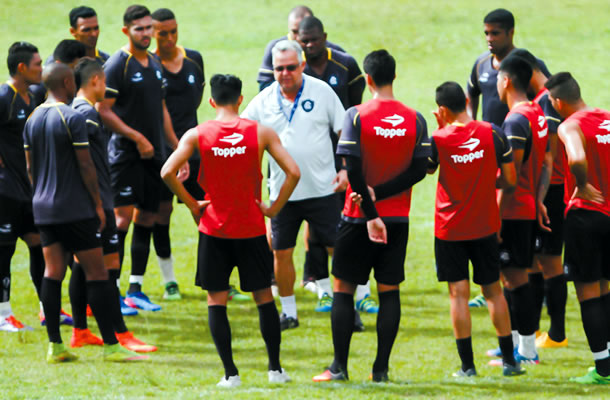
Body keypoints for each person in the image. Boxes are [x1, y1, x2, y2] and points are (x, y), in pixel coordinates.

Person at [161, 74, 300, 387]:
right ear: (240, 99)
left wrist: (193, 203)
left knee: (216, 300)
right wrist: (274, 208)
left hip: (214, 231)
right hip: (251, 228)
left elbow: (167, 171)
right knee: (264, 297)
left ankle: (230, 374)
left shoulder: (197, 134)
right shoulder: (260, 132)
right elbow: (294, 171)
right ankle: (275, 370)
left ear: (212, 101)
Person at [313, 49, 429, 382]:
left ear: (367, 80)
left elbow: (354, 167)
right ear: (394, 76)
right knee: (389, 291)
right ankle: (380, 371)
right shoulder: (415, 118)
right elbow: (420, 169)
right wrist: (387, 193)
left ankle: (339, 367)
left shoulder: (356, 115)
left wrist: (370, 206)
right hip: (398, 221)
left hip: (359, 218)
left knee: (343, 290)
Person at [23, 63, 146, 362]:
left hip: (43, 206)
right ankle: (111, 345)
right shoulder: (72, 117)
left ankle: (56, 346)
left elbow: (29, 167)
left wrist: (40, 194)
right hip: (76, 207)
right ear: (67, 82)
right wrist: (96, 205)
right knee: (97, 273)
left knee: (53, 272)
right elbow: (86, 166)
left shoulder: (32, 118)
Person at [241, 40, 347, 330]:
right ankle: (289, 313)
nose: (285, 73)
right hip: (282, 195)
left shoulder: (322, 91)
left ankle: (346, 308)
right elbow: (241, 135)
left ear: (302, 65)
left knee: (336, 250)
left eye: (290, 67)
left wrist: (347, 170)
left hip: (323, 189)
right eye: (279, 69)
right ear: (272, 70)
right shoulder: (262, 101)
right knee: (282, 252)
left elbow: (344, 132)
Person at [428, 81, 524, 377]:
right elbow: (510, 179)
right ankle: (510, 362)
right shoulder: (493, 132)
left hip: (450, 228)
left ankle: (467, 367)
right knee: (494, 290)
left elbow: (428, 169)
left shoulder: (439, 138)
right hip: (485, 226)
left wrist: (440, 127)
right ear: (468, 101)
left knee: (458, 294)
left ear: (442, 110)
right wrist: (483, 182)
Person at [98, 5, 185, 313]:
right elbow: (103, 109)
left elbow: (161, 109)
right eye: (140, 29)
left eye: (149, 28)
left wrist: (176, 147)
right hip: (125, 157)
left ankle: (135, 288)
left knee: (146, 218)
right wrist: (137, 138)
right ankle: (113, 291)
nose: (147, 34)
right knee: (121, 221)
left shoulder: (155, 63)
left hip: (155, 156)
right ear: (126, 31)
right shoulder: (117, 64)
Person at [69, 57, 157, 353]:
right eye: (104, 81)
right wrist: (96, 203)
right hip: (96, 201)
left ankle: (80, 331)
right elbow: (86, 164)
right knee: (107, 268)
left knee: (83, 266)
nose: (106, 87)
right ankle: (118, 335)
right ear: (95, 81)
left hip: (83, 202)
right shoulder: (88, 115)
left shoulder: (74, 110)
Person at [296, 17, 376, 314]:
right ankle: (325, 290)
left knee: (355, 219)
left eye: (314, 39)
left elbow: (354, 113)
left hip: (344, 157)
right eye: (304, 40)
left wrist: (348, 159)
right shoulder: (295, 70)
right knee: (319, 225)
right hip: (312, 159)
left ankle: (363, 291)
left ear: (324, 37)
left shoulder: (345, 66)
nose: (309, 45)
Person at [545, 72, 610, 384]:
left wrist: (582, 184)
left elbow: (577, 158)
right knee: (607, 289)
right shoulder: (607, 118)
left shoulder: (570, 125)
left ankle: (603, 370)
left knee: (588, 293)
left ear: (558, 102)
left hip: (586, 217)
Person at [488, 55, 552, 366]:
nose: (496, 83)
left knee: (516, 281)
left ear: (507, 81)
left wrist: (496, 219)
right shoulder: (537, 114)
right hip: (527, 207)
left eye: (498, 78)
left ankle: (526, 351)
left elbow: (509, 180)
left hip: (513, 212)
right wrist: (539, 198)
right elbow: (548, 162)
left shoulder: (514, 121)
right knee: (512, 278)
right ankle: (511, 345)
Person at [512, 49, 568, 349]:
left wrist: (542, 195)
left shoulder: (548, 102)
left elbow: (553, 153)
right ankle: (530, 334)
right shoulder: (544, 100)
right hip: (545, 190)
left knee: (549, 261)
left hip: (552, 191)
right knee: (533, 262)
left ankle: (557, 334)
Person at [150, 7, 205, 300]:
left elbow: (195, 98)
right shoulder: (149, 64)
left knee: (206, 212)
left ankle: (215, 276)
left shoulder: (194, 59)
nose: (169, 38)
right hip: (162, 154)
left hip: (195, 152)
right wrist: (174, 149)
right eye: (162, 33)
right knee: (161, 214)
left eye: (173, 31)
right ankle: (169, 280)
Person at [0, 42, 44, 332]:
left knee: (39, 246)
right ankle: (3, 314)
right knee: (3, 253)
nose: (42, 68)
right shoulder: (4, 97)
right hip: (5, 193)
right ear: (21, 68)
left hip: (29, 192)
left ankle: (47, 307)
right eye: (38, 64)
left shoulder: (33, 96)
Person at [466, 9, 551, 127]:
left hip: (521, 136)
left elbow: (550, 97)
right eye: (487, 33)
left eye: (495, 33)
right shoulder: (481, 63)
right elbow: (471, 93)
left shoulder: (528, 63)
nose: (489, 39)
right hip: (492, 140)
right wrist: (471, 123)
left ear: (511, 32)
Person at [256, 5, 345, 91]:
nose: (299, 37)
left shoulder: (333, 51)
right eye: (295, 32)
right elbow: (264, 87)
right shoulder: (275, 49)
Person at [30, 39, 87, 106]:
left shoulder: (80, 79)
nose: (76, 72)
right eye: (73, 68)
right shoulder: (38, 90)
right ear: (59, 64)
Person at [45, 6, 110, 65]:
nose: (94, 34)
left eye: (96, 28)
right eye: (86, 30)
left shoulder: (107, 60)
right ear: (73, 31)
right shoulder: (57, 62)